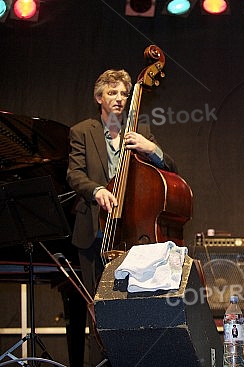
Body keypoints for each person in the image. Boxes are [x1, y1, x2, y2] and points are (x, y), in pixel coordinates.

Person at [66, 69, 177, 364]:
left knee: (134, 307)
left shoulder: (138, 128)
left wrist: (151, 148)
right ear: (99, 97)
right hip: (94, 231)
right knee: (96, 307)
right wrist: (97, 190)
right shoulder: (82, 131)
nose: (119, 99)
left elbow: (169, 169)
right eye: (112, 93)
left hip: (131, 231)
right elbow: (74, 174)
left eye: (124, 94)